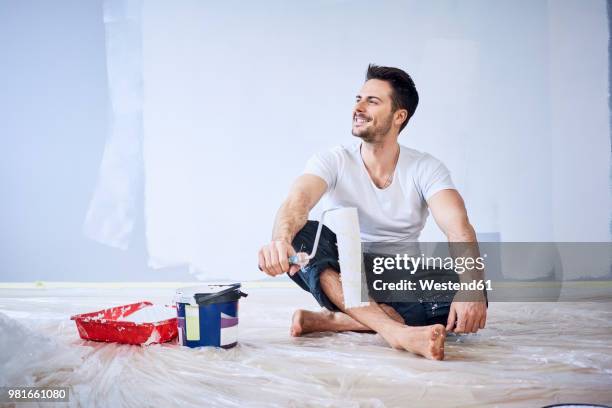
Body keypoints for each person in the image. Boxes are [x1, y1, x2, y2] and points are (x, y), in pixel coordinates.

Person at [257, 64, 487, 360]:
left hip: (397, 277)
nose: (358, 107)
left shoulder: (426, 168)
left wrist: (471, 290)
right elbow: (297, 201)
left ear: (399, 116)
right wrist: (280, 239)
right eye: (358, 99)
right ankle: (397, 332)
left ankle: (337, 320)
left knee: (469, 294)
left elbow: (458, 228)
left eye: (372, 101)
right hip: (341, 273)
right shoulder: (333, 160)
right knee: (303, 235)